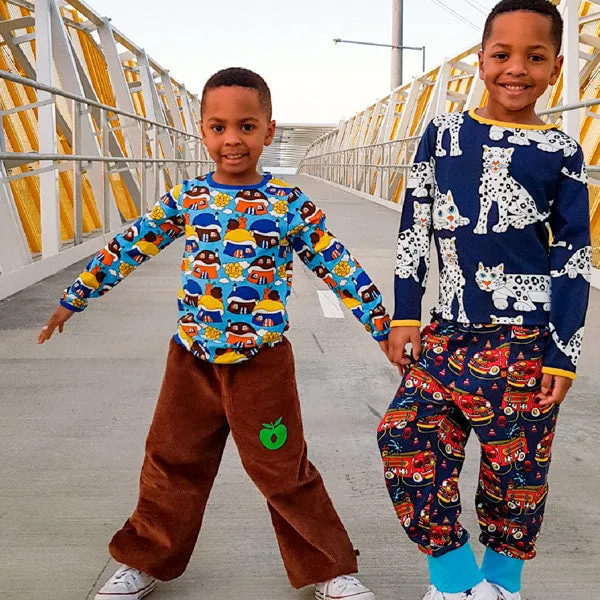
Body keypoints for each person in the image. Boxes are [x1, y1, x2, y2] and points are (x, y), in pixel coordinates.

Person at [39, 67, 391, 600]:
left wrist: (381, 328)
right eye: (219, 127)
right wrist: (75, 297)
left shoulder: (287, 205)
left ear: (268, 132)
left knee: (283, 468)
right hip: (191, 360)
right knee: (171, 461)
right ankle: (146, 559)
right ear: (203, 132)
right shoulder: (187, 199)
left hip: (262, 364)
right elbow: (131, 245)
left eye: (247, 126)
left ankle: (326, 570)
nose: (232, 140)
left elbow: (337, 263)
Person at [378, 1, 591, 599]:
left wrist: (562, 353)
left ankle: (503, 585)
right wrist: (406, 312)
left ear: (554, 68)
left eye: (535, 56)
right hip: (447, 334)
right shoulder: (443, 133)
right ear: (480, 60)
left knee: (515, 473)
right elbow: (414, 224)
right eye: (502, 54)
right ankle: (453, 579)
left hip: (525, 342)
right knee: (404, 437)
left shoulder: (561, 151)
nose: (515, 69)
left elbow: (573, 256)